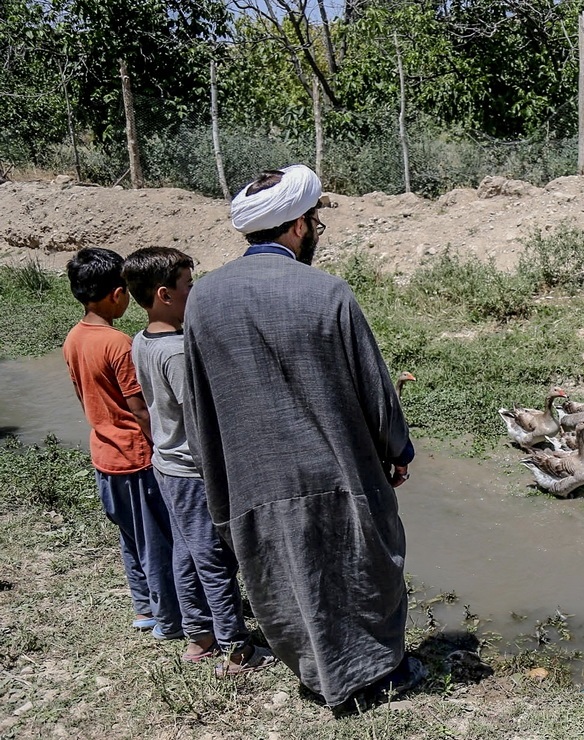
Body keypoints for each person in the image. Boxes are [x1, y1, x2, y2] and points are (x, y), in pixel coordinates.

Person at [182, 164, 422, 708]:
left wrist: (213, 472)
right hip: (338, 470)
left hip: (252, 473)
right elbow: (374, 388)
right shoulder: (327, 292)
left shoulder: (203, 298)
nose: (315, 232)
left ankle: (318, 672)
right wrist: (398, 450)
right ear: (297, 226)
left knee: (286, 578)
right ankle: (377, 673)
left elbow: (198, 401)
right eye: (314, 221)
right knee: (362, 570)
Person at [123, 246, 277, 677]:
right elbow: (203, 416)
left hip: (167, 464)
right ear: (164, 295)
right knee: (215, 560)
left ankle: (199, 635)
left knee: (187, 554)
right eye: (189, 286)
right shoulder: (175, 353)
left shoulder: (141, 340)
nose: (195, 292)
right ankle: (235, 648)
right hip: (193, 471)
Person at [62, 247, 182, 640]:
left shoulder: (74, 338)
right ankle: (169, 621)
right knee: (157, 543)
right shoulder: (117, 343)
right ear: (117, 294)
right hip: (135, 457)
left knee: (131, 538)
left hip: (104, 455)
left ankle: (145, 608)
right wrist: (161, 444)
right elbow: (140, 409)